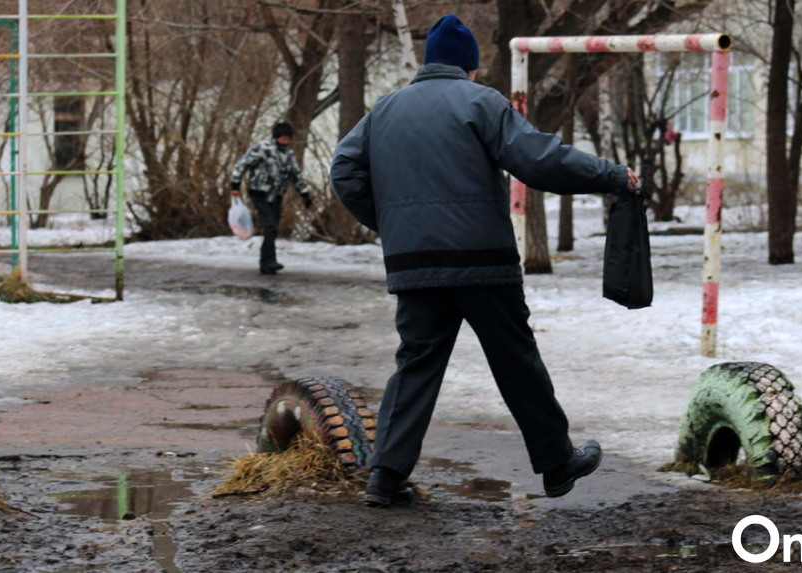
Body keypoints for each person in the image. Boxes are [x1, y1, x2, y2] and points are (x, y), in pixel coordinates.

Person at [330, 14, 640, 507]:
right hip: (481, 260)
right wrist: (609, 175)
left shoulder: (385, 109)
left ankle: (385, 476)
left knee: (416, 364)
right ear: (468, 67)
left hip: (414, 265)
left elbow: (343, 170)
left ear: (430, 62)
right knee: (515, 358)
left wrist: (392, 223)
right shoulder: (481, 101)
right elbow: (538, 159)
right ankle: (557, 463)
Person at [231, 122, 313, 275]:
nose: (286, 142)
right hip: (258, 192)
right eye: (283, 138)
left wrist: (305, 194)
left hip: (276, 195)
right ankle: (268, 262)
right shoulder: (262, 148)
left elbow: (296, 175)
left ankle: (268, 261)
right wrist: (235, 185)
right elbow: (241, 165)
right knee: (270, 226)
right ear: (276, 137)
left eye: (288, 139)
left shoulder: (289, 154)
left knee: (273, 228)